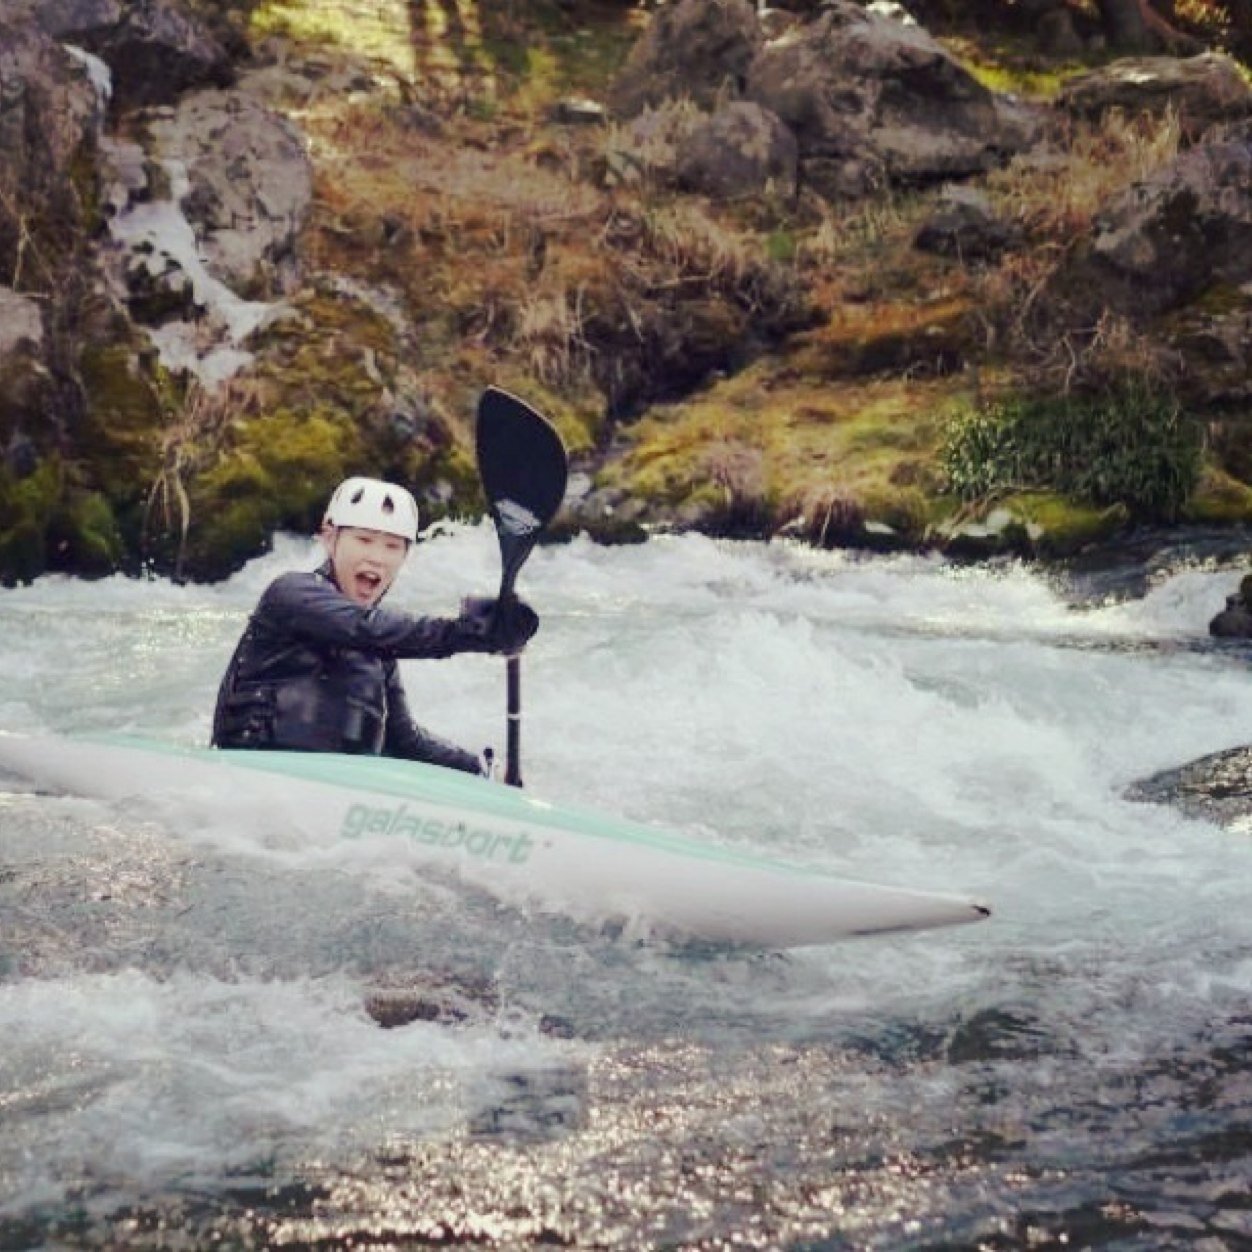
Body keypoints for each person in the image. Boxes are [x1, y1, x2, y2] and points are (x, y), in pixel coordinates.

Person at [211, 476, 538, 774]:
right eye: (364, 540)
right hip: (250, 776)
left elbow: (405, 743)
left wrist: (481, 769)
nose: (377, 557)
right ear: (329, 537)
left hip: (332, 797)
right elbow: (365, 628)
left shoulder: (381, 655)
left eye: (392, 546)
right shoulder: (291, 594)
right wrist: (471, 632)